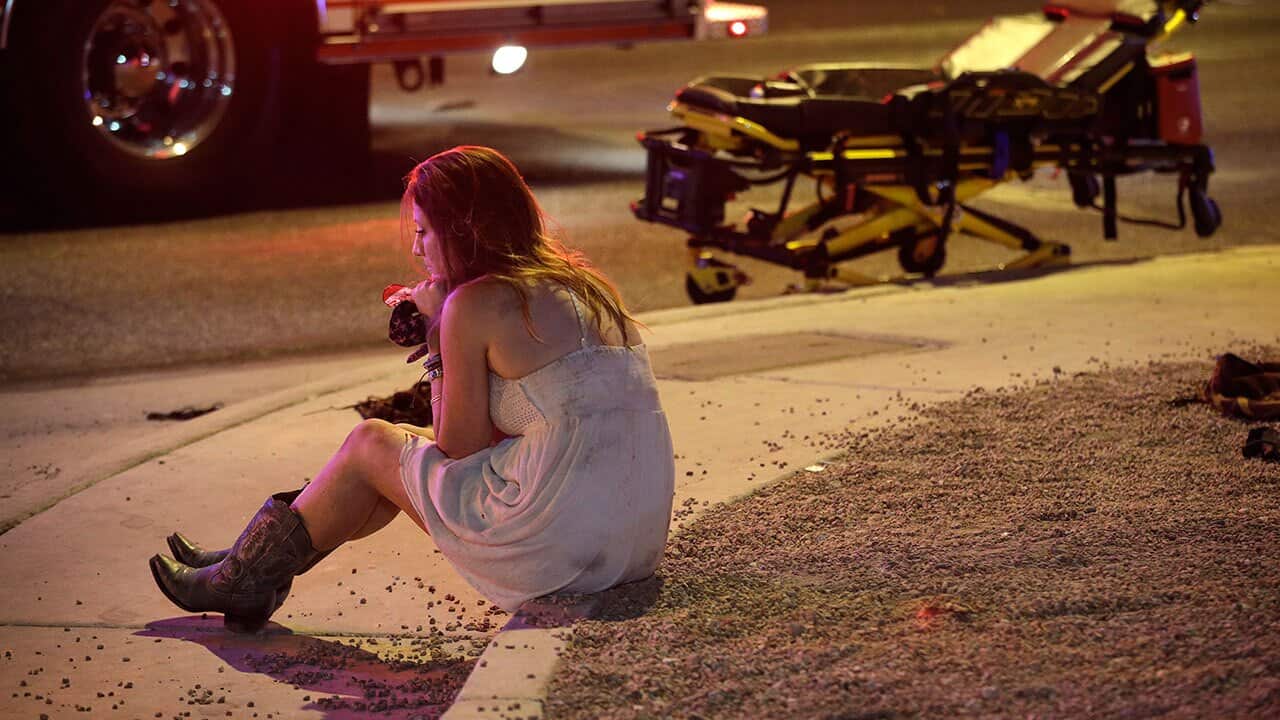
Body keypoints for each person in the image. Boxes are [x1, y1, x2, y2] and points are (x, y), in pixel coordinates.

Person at [149, 146, 676, 632]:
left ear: (465, 228)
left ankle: (244, 574)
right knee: (387, 453)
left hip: (558, 548)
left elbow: (458, 448)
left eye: (424, 231)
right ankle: (244, 567)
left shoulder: (474, 304)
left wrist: (438, 339)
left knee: (371, 443)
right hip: (632, 541)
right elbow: (520, 429)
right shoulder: (586, 286)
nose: (415, 247)